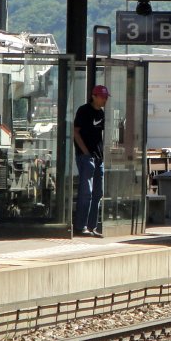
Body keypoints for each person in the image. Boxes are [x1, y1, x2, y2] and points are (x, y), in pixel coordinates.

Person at [73, 84, 109, 238]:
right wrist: (85, 152)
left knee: (98, 193)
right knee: (86, 192)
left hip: (98, 157)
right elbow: (76, 132)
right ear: (94, 96)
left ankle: (92, 226)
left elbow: (99, 135)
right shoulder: (83, 110)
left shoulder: (101, 113)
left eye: (106, 97)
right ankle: (80, 226)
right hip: (86, 156)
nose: (105, 100)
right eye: (102, 97)